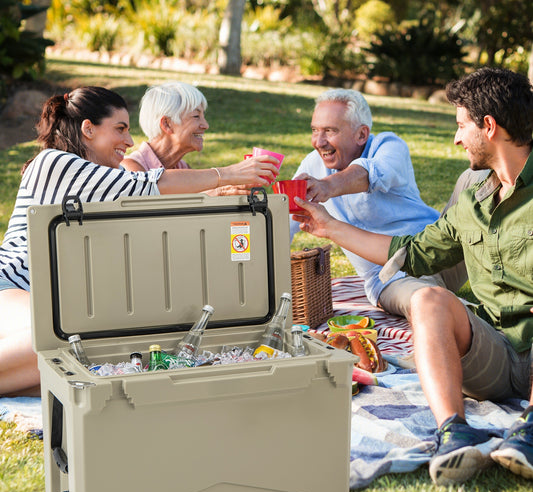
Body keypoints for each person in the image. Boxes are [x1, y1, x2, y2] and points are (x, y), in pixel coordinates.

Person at [293, 67, 533, 486]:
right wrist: (327, 226)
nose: (456, 138)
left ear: (489, 127)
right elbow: (416, 252)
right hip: (495, 351)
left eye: (461, 126)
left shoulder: (388, 148)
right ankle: (455, 433)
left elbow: (368, 176)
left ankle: (529, 433)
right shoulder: (474, 192)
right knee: (426, 299)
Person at [0, 86, 278, 397]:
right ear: (88, 129)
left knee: (97, 361)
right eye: (120, 129)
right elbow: (151, 184)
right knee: (58, 338)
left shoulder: (99, 176)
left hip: (49, 301)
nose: (130, 141)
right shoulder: (55, 162)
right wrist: (229, 173)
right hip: (10, 286)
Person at [289, 88, 484, 321]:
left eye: (330, 131)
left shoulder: (389, 146)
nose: (318, 142)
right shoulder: (312, 166)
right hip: (392, 278)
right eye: (315, 130)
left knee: (478, 177)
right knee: (430, 304)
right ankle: (486, 321)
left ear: (361, 135)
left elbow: (371, 174)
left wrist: (326, 186)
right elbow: (283, 224)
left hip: (439, 251)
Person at [122, 81, 258, 196]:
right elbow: (157, 210)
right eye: (196, 116)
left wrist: (225, 189)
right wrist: (218, 188)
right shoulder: (131, 170)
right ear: (166, 124)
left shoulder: (182, 167)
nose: (206, 125)